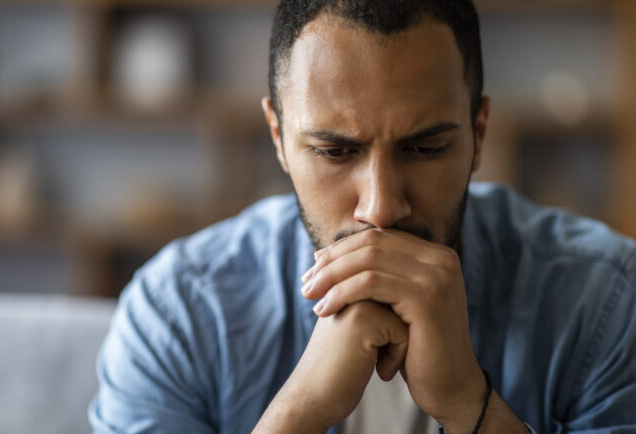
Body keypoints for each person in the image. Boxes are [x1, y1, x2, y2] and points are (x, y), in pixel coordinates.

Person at [89, 1, 636, 433]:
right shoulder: (176, 314)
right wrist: (300, 411)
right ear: (279, 138)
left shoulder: (605, 298)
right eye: (334, 152)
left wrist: (469, 405)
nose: (380, 208)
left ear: (479, 133)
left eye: (425, 149)